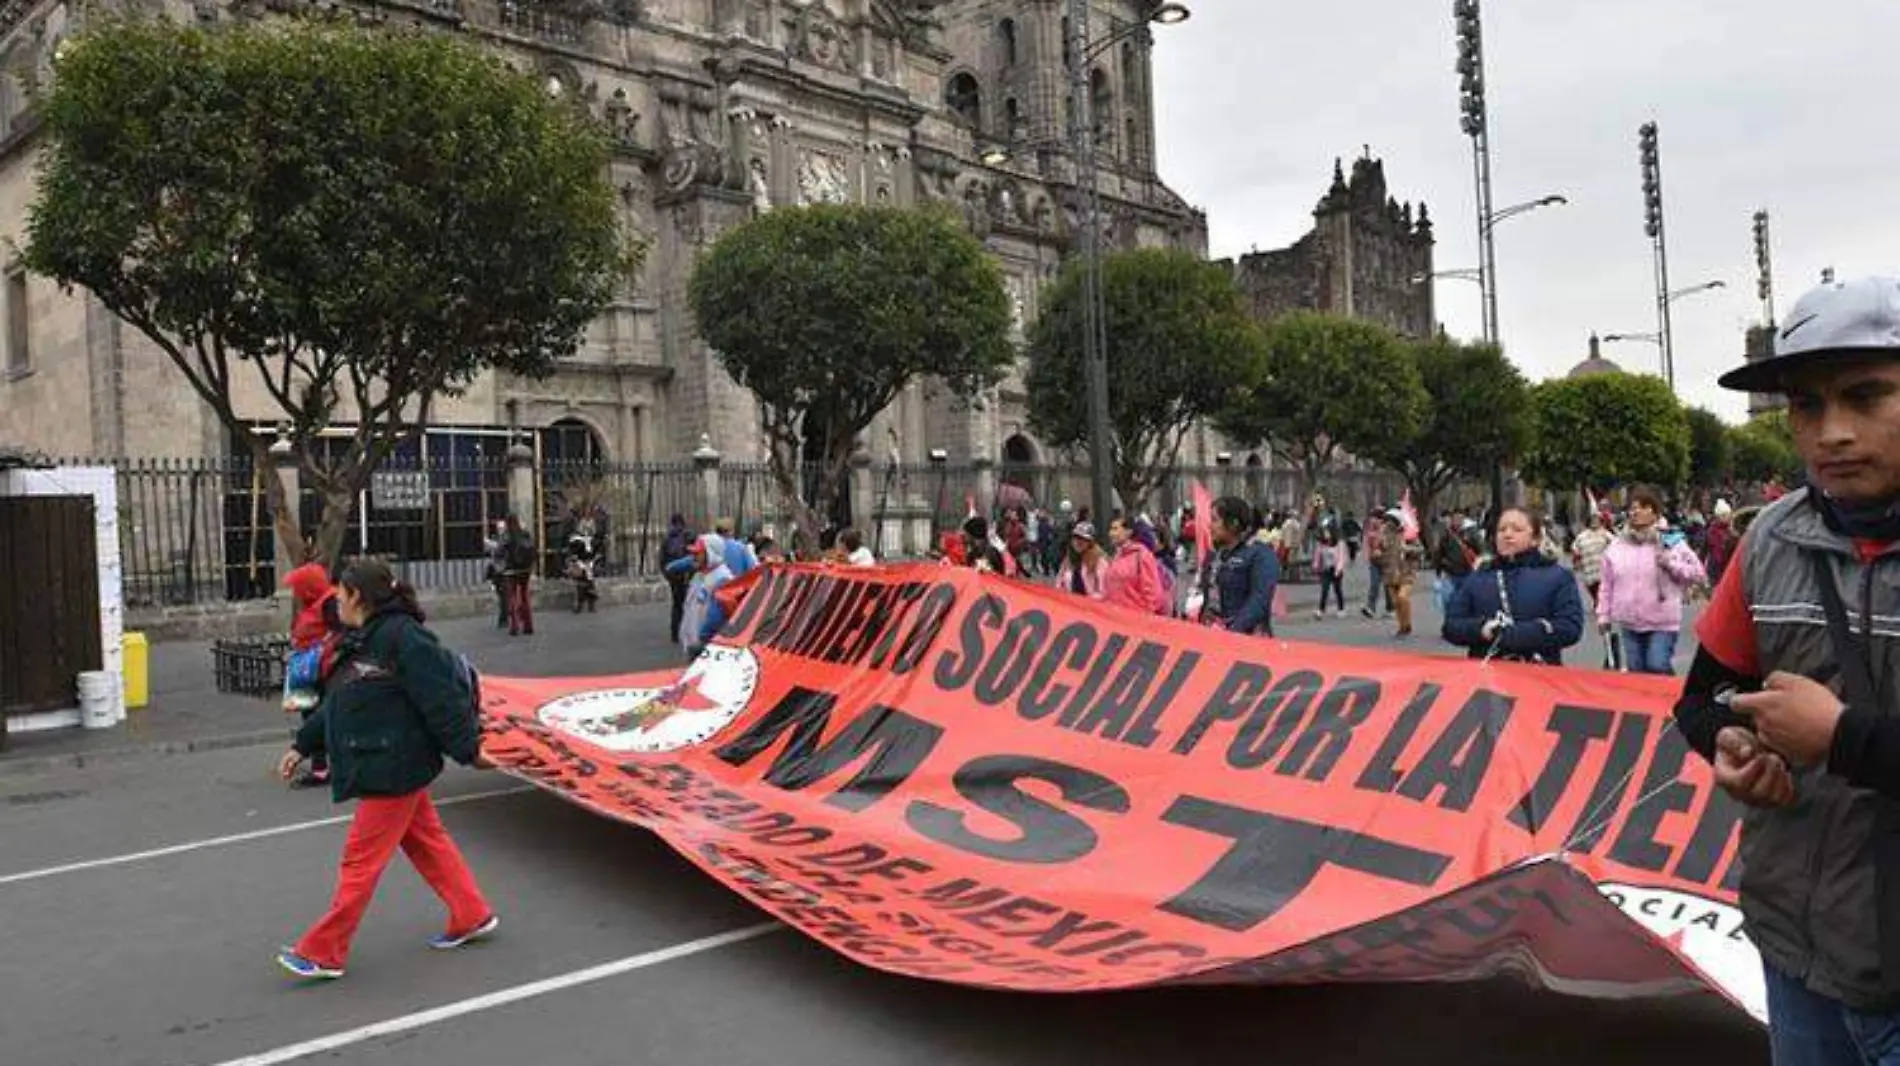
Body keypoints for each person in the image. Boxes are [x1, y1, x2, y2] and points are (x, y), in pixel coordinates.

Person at [1671, 274, 1900, 1066]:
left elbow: (1837, 738)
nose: (1832, 431)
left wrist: (1840, 737)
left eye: (1866, 396)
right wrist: (1730, 746)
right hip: (1796, 951)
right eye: (1807, 406)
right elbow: (1701, 699)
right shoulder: (1769, 539)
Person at [273, 560, 496, 980]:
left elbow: (442, 699)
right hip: (386, 757)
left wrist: (470, 750)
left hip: (394, 764)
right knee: (428, 842)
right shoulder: (360, 639)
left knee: (360, 861)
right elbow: (339, 704)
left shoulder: (403, 638)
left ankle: (324, 951)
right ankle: (472, 912)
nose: (335, 600)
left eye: (341, 594)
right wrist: (302, 744)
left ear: (357, 597)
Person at [1442, 507, 1585, 665]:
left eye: (1517, 530)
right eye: (1502, 530)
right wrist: (1482, 629)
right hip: (1488, 678)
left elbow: (1570, 627)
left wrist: (1515, 634)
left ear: (1535, 538)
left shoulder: (1558, 576)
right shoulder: (1478, 578)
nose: (1507, 535)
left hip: (1540, 676)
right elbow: (1451, 626)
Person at [1597, 486, 1707, 675]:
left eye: (1643, 507)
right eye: (1632, 508)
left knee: (1656, 664)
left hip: (1662, 621)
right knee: (1637, 673)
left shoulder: (1671, 541)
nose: (1636, 512)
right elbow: (1607, 583)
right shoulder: (1617, 544)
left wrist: (1671, 564)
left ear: (1655, 512)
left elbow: (1698, 573)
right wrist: (1603, 615)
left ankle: (1669, 693)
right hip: (1629, 621)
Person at [282, 555, 343, 789]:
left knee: (316, 715)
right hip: (312, 668)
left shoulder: (329, 603)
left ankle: (321, 769)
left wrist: (318, 651)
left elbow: (339, 633)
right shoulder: (319, 603)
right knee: (311, 712)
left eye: (298, 588)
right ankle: (322, 766)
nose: (295, 593)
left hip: (322, 668)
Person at [1198, 496, 1278, 636]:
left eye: (1215, 520)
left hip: (1246, 641)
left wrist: (1234, 630)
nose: (1210, 526)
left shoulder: (1259, 555)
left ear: (1233, 523)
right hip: (1212, 638)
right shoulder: (1214, 557)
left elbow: (1260, 599)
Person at [678, 533, 735, 658]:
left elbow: (716, 618)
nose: (693, 557)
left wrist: (701, 640)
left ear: (710, 554)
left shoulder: (722, 579)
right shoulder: (700, 575)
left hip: (707, 650)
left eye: (698, 553)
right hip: (696, 647)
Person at [1103, 515, 1166, 614]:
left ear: (1129, 532)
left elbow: (1151, 592)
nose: (1110, 533)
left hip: (1135, 619)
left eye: (1115, 529)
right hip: (1116, 618)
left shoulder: (1142, 555)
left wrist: (1146, 616)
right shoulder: (1117, 557)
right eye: (1110, 529)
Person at [1377, 510, 1423, 638]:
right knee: (1396, 602)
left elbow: (1421, 549)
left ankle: (1407, 625)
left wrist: (1408, 549)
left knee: (1403, 597)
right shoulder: (1384, 534)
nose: (1388, 523)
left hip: (1406, 572)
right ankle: (1402, 626)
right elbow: (1379, 549)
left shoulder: (1409, 534)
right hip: (1390, 572)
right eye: (1387, 521)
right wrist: (1378, 553)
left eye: (1391, 520)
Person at [496, 514, 537, 637]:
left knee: (512, 597)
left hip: (511, 570)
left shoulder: (506, 535)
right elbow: (532, 549)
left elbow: (499, 552)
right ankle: (528, 625)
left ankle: (514, 626)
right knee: (525, 596)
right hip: (525, 570)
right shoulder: (525, 533)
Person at [1431, 511, 1476, 616]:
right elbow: (1439, 554)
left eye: (1460, 519)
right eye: (1455, 519)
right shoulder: (1446, 536)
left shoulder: (1470, 534)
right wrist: (1438, 571)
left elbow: (1480, 551)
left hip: (1468, 572)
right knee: (1449, 599)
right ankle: (1450, 620)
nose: (1457, 521)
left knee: (1466, 600)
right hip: (1451, 573)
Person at [1570, 510, 1614, 609]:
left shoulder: (1606, 534)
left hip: (1602, 568)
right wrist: (1576, 561)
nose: (1595, 522)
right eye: (1593, 520)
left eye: (1597, 520)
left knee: (1601, 588)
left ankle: (1600, 604)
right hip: (1588, 568)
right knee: (1592, 588)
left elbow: (1615, 547)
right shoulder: (1582, 536)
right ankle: (1596, 600)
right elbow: (1575, 549)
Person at [660, 514, 693, 644]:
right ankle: (688, 632)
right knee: (689, 604)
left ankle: (675, 633)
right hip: (686, 575)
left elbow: (662, 560)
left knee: (677, 604)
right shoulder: (688, 535)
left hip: (673, 575)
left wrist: (667, 575)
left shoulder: (667, 538)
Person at [1055, 521, 1107, 599]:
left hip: (1089, 607)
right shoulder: (1069, 559)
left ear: (1090, 542)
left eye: (1083, 539)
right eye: (1075, 538)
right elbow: (1059, 583)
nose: (1078, 542)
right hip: (1069, 605)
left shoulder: (1099, 561)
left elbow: (1103, 591)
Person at [1311, 526, 1349, 618]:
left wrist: (1338, 570)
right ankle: (1321, 610)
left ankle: (1341, 609)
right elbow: (1317, 556)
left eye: (1327, 532)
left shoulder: (1340, 544)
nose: (1325, 534)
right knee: (1325, 589)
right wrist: (1315, 567)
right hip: (1326, 569)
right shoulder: (1321, 544)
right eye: (1324, 532)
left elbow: (1342, 558)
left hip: (1336, 569)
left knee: (1337, 589)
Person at [1360, 514, 1389, 618]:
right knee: (1374, 585)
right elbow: (1366, 547)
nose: (1373, 521)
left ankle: (1390, 609)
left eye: (1376, 519)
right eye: (1372, 519)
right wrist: (1368, 556)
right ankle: (1371, 608)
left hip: (1386, 562)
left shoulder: (1386, 531)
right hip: (1374, 562)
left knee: (1388, 586)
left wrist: (1381, 547)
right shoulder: (1370, 533)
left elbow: (1389, 545)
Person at [564, 530, 598, 613]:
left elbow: (576, 553)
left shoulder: (578, 541)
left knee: (582, 585)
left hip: (584, 563)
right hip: (587, 563)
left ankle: (582, 606)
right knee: (588, 584)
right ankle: (590, 605)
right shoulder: (587, 540)